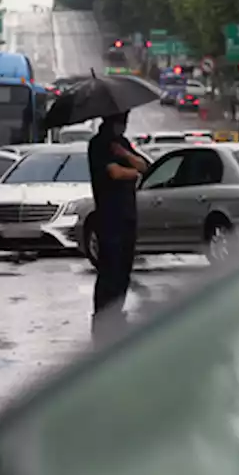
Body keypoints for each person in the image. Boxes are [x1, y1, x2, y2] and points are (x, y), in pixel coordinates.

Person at [87, 111, 148, 335]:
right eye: (121, 120)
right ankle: (103, 316)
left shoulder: (121, 144)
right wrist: (133, 173)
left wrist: (125, 154)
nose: (123, 125)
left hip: (127, 213)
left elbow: (143, 166)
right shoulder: (98, 145)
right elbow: (114, 173)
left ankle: (117, 312)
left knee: (124, 268)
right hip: (109, 215)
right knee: (110, 268)